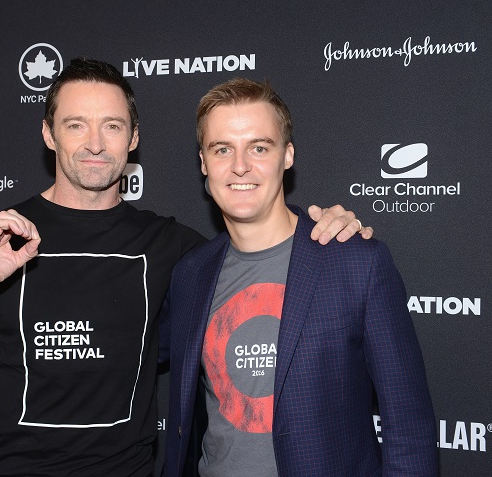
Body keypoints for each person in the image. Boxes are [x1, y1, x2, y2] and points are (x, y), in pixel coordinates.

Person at [0, 59, 370, 477]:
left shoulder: (177, 248)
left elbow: (268, 259)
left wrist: (326, 231)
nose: (95, 142)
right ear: (48, 134)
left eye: (112, 125)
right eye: (76, 124)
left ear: (133, 138)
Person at [160, 78, 437, 476]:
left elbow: (408, 426)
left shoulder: (356, 262)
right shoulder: (191, 274)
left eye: (259, 147)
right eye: (222, 149)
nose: (240, 166)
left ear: (287, 156)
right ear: (204, 162)